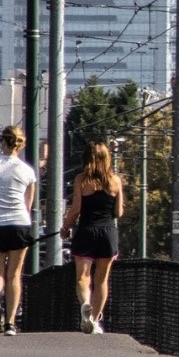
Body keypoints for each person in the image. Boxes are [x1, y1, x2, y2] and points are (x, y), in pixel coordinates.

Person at [0, 126, 39, 334]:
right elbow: (28, 204)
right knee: (14, 275)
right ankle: (10, 323)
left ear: (2, 142)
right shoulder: (27, 171)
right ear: (20, 146)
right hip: (19, 224)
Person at [66, 141, 125, 334]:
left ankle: (85, 304)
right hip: (108, 233)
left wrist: (65, 228)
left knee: (83, 278)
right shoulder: (115, 181)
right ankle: (95, 321)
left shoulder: (81, 180)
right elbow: (119, 212)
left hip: (86, 231)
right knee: (102, 281)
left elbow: (75, 210)